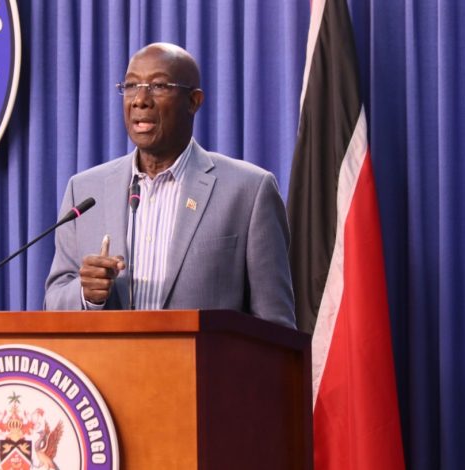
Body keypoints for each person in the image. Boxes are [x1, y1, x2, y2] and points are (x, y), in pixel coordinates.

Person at [44, 42, 295, 329]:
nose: (140, 100)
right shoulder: (85, 190)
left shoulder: (249, 191)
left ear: (193, 101)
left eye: (159, 86)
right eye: (131, 86)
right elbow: (54, 301)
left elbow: (275, 327)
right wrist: (86, 295)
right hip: (107, 359)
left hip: (204, 360)